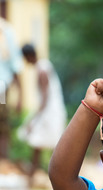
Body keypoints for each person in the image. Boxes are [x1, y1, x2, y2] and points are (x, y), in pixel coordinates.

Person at [17, 44, 66, 178]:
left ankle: (51, 176)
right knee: (40, 144)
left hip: (49, 112)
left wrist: (35, 117)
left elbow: (45, 97)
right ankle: (36, 176)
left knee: (43, 145)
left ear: (28, 56)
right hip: (49, 110)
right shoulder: (44, 66)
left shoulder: (42, 69)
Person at [0, 17, 22, 160]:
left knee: (2, 126)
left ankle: (3, 160)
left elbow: (15, 66)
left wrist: (20, 95)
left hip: (2, 88)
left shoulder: (5, 30)